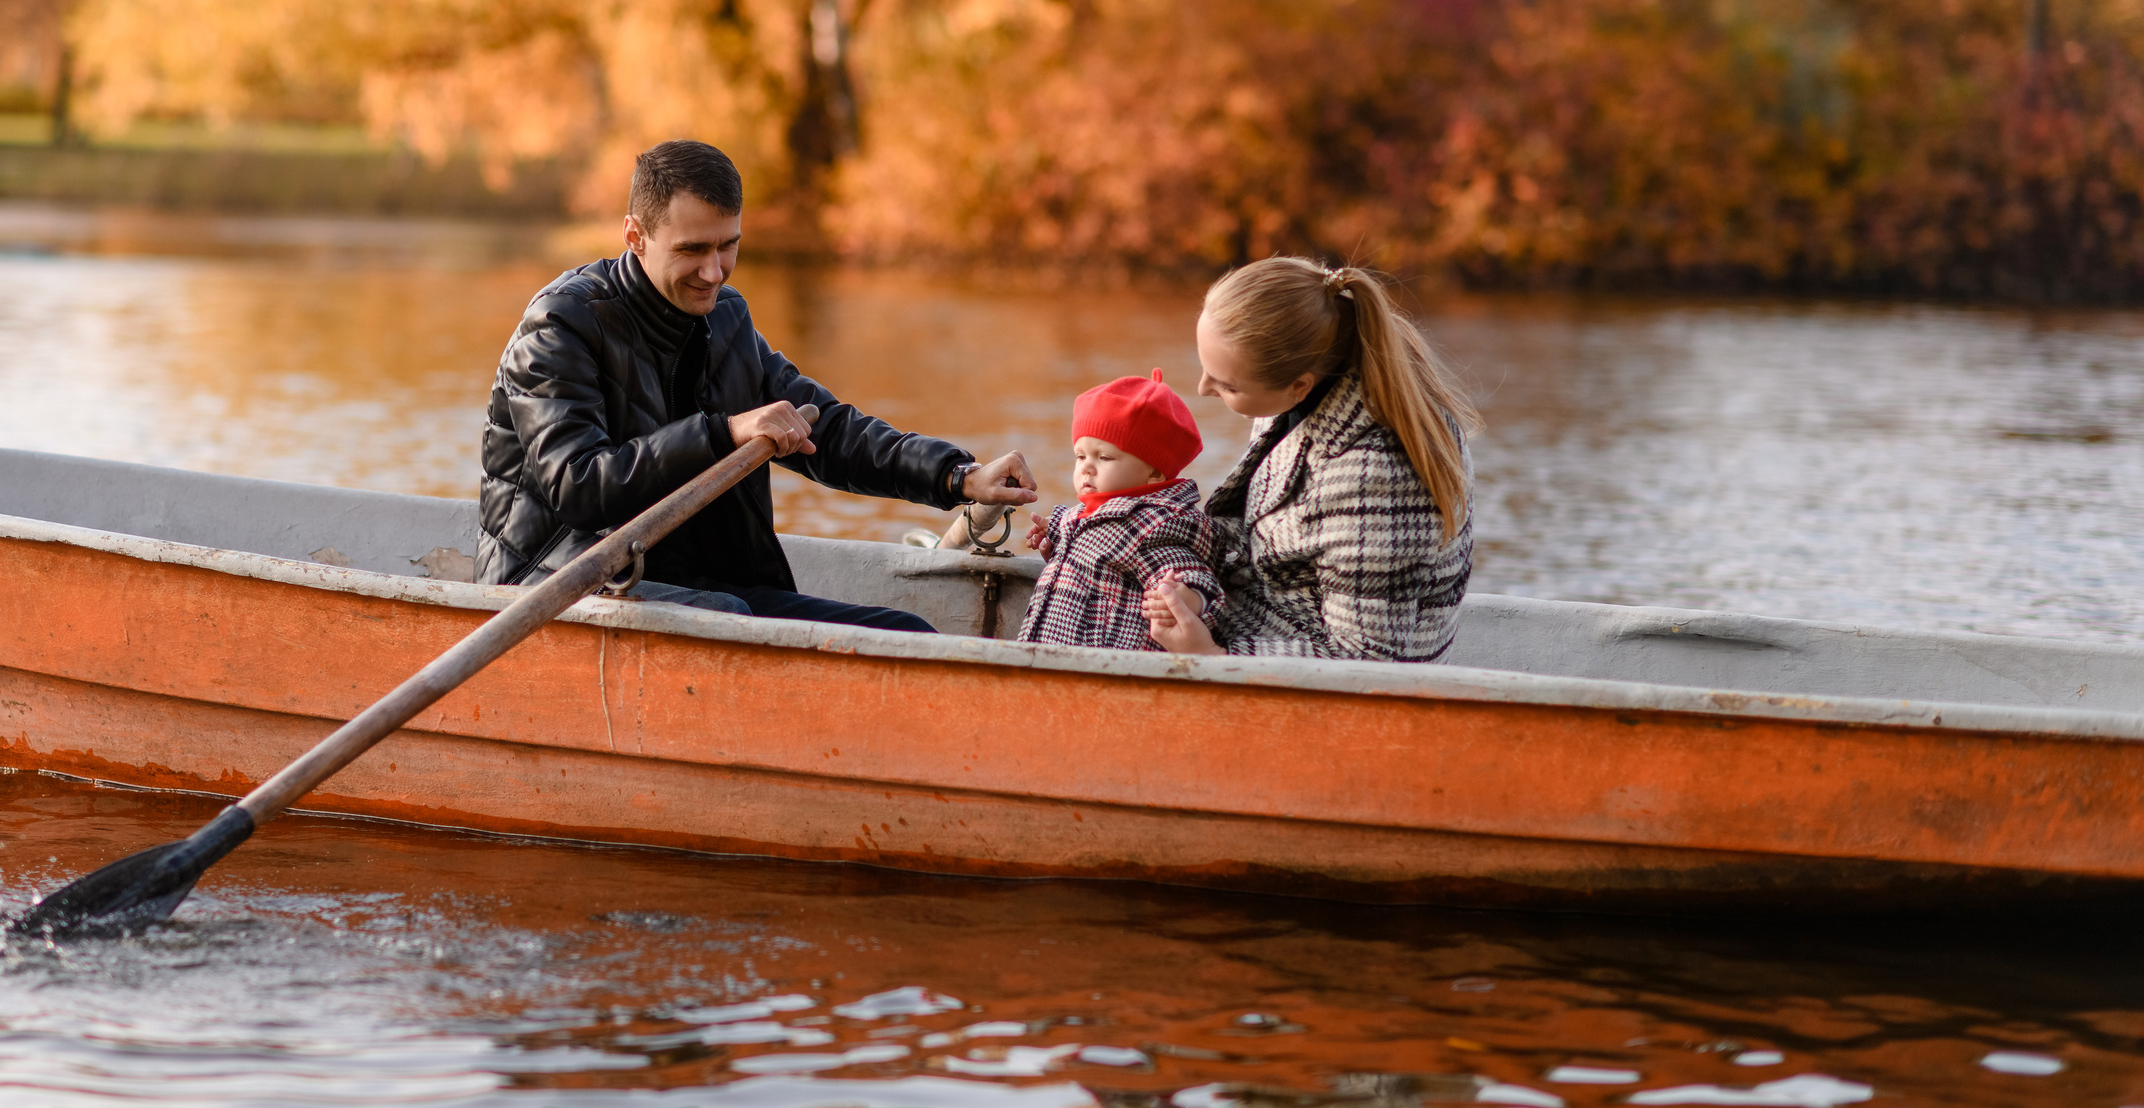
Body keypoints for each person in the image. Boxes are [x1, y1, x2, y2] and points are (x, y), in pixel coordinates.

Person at [479, 139, 1039, 628]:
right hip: (558, 586)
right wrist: (724, 433)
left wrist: (958, 476)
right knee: (730, 623)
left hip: (706, 586)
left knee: (905, 634)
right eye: (692, 250)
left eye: (728, 245)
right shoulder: (560, 325)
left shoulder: (725, 318)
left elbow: (831, 430)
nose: (715, 272)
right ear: (634, 235)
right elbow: (578, 487)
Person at [1145, 258, 1477, 662]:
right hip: (1259, 620)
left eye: (1227, 385)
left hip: (1324, 688)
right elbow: (1257, 531)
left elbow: (1369, 662)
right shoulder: (1299, 393)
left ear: (1299, 385)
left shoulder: (1374, 473)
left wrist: (1212, 657)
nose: (1201, 389)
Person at [1014, 370, 1223, 652]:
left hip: (1104, 667)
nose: (1086, 467)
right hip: (1054, 659)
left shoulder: (1155, 526)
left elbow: (1195, 575)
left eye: (1104, 457)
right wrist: (1055, 531)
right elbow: (1095, 545)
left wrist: (1185, 596)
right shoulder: (1088, 515)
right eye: (1080, 455)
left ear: (1155, 471)